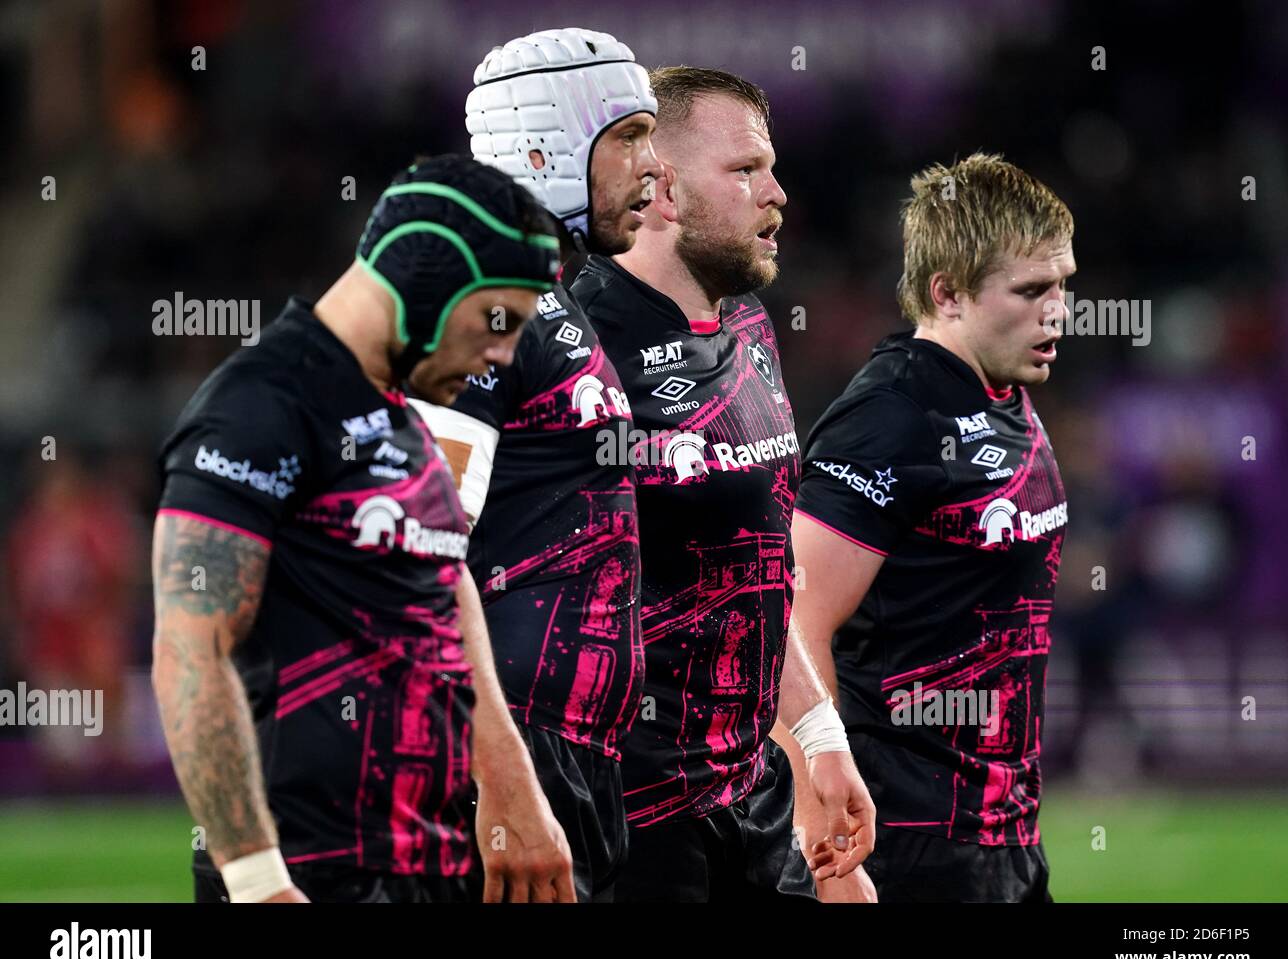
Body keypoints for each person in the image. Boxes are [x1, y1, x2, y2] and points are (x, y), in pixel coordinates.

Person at [152, 154, 576, 903]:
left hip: (423, 867)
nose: (506, 354)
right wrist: (256, 882)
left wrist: (510, 784)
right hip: (307, 877)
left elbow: (443, 595)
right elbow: (191, 648)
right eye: (497, 320)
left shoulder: (401, 416)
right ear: (426, 283)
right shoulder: (262, 404)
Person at [571, 66, 875, 902]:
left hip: (755, 804)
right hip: (627, 827)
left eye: (770, 167)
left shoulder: (746, 323)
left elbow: (756, 570)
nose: (777, 193)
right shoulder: (569, 351)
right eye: (745, 171)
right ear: (661, 189)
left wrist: (818, 739)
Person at [415, 27, 661, 902]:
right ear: (543, 143)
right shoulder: (481, 293)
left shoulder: (552, 297)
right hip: (501, 757)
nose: (653, 166)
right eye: (630, 136)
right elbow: (417, 546)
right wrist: (506, 778)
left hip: (568, 756)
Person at [791, 152, 1075, 901]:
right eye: (1031, 290)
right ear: (947, 293)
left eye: (1065, 285)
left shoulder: (1003, 387)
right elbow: (790, 624)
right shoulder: (890, 418)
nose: (1059, 311)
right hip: (905, 844)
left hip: (1003, 835)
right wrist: (832, 857)